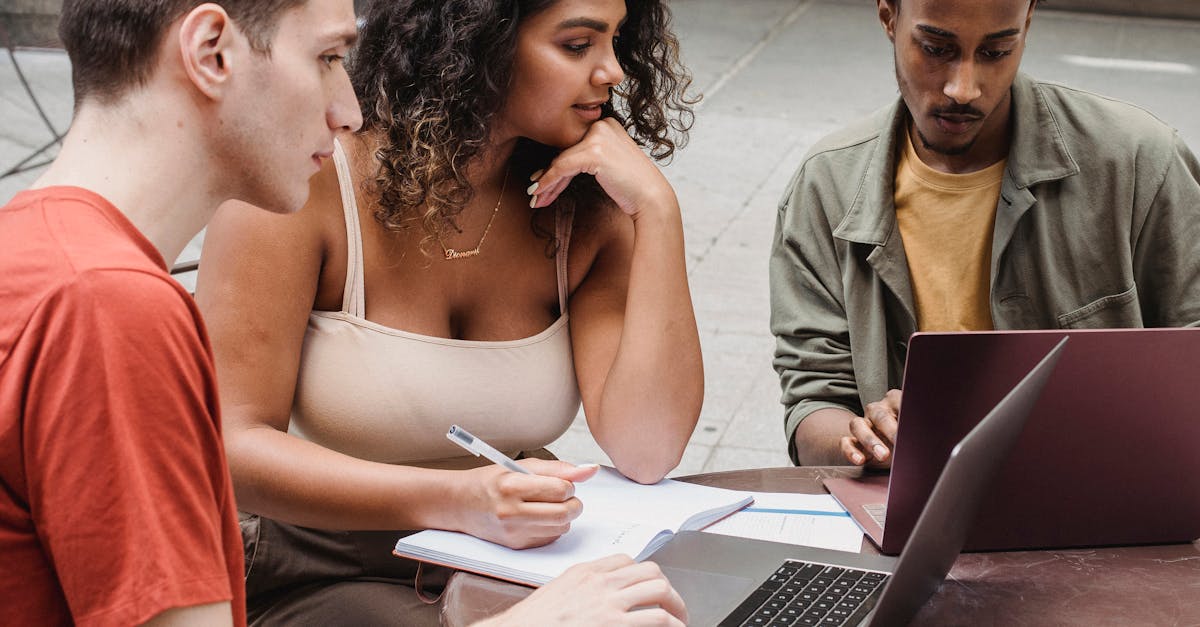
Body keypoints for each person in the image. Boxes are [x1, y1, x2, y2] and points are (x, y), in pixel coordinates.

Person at [0, 0, 688, 625]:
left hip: (497, 560)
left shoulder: (53, 260)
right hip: (332, 570)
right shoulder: (110, 305)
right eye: (328, 59)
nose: (351, 108)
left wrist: (658, 211)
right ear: (211, 51)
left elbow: (648, 447)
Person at [770, 0, 1200, 467]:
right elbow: (813, 403)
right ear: (889, 17)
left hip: (1108, 505)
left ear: (1028, 21)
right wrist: (868, 440)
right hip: (909, 516)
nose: (963, 88)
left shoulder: (1139, 162)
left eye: (996, 52)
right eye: (936, 48)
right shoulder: (825, 186)